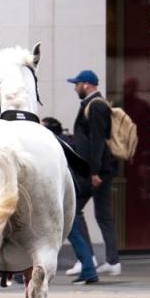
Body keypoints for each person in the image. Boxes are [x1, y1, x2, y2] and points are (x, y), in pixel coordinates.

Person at [65, 70, 121, 277]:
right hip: (100, 170)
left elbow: (98, 141)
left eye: (76, 84)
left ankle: (87, 258)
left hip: (95, 171)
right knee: (103, 215)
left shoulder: (95, 105)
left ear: (86, 85)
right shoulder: (95, 104)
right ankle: (112, 261)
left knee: (74, 210)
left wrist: (94, 172)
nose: (74, 87)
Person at [43, 116, 98, 285]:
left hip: (69, 194)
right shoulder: (66, 143)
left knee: (73, 232)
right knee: (72, 232)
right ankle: (88, 268)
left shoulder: (53, 146)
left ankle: (89, 270)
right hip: (75, 191)